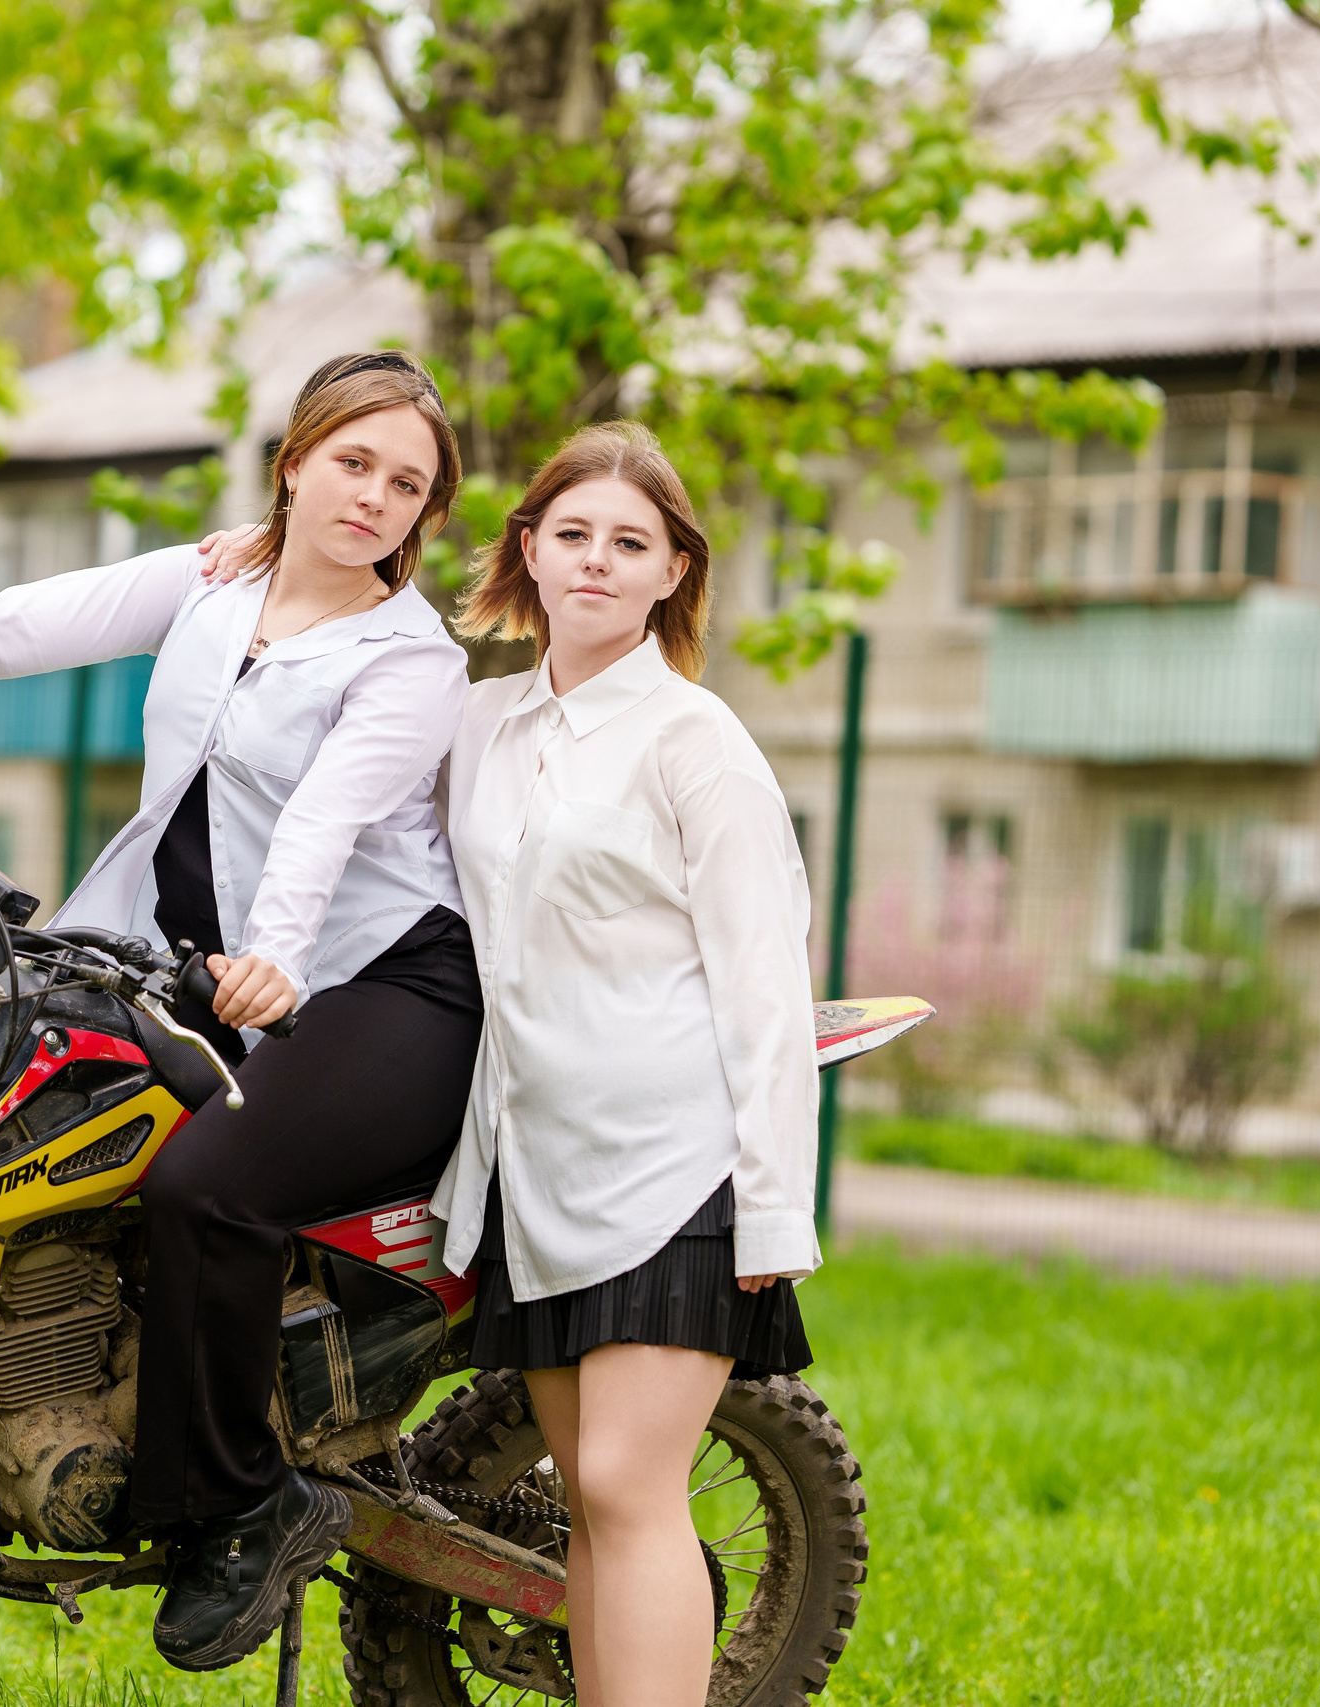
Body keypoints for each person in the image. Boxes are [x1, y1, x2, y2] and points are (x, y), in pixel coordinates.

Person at [0, 352, 485, 1674]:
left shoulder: (409, 655)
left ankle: (245, 1503)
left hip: (382, 981)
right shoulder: (211, 583)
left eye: (407, 484)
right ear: (296, 458)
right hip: (184, 950)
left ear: (423, 516)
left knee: (211, 1190)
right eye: (356, 462)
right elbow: (20, 623)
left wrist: (275, 958)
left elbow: (322, 822)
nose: (376, 496)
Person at [439, 421, 819, 1706]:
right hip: (536, 1171)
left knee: (623, 1485)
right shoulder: (482, 723)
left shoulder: (694, 742)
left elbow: (768, 982)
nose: (597, 561)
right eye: (573, 534)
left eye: (631, 543)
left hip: (678, 1167)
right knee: (584, 1505)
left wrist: (771, 1199)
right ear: (528, 551)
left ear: (672, 573)